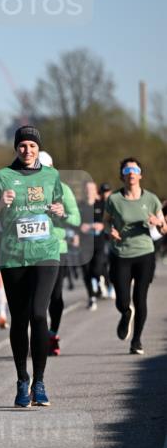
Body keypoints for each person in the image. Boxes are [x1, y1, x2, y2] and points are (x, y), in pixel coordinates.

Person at [0, 126, 65, 407]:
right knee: (20, 319)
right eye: (23, 146)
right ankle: (22, 380)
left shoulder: (51, 176)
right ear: (16, 148)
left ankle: (39, 382)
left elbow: (59, 210)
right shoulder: (2, 177)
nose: (27, 150)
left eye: (32, 146)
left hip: (45, 253)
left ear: (39, 148)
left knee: (39, 314)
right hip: (13, 256)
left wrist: (60, 211)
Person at [103, 158, 166, 355]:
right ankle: (125, 313)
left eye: (135, 170)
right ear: (122, 175)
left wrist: (158, 223)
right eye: (127, 170)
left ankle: (136, 341)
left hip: (144, 253)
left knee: (140, 298)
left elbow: (164, 229)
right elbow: (105, 222)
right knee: (122, 299)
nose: (131, 173)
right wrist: (109, 231)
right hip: (120, 253)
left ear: (140, 175)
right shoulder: (114, 199)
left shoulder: (151, 199)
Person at [39, 152, 81, 356]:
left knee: (55, 296)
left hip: (57, 249)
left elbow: (76, 220)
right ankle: (38, 337)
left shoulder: (63, 189)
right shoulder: (24, 189)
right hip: (30, 250)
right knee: (35, 299)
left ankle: (52, 333)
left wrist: (62, 214)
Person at [79, 180, 108, 310]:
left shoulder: (101, 204)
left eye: (91, 189)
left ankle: (100, 281)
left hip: (98, 243)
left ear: (95, 190)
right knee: (86, 273)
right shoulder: (80, 205)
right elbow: (73, 222)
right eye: (87, 189)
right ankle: (91, 297)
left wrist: (102, 225)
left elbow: (109, 221)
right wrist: (80, 227)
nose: (89, 191)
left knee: (96, 269)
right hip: (84, 244)